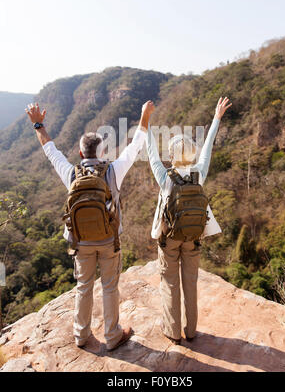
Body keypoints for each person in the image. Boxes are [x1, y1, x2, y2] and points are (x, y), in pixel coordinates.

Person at [26, 100, 155, 350]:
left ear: (81, 153)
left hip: (81, 242)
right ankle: (112, 334)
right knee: (109, 287)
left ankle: (81, 335)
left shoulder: (71, 174)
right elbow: (136, 144)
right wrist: (144, 116)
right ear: (102, 152)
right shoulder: (114, 170)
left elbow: (50, 150)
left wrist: (38, 124)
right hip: (109, 242)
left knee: (83, 286)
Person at [146, 97, 232, 345]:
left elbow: (151, 152)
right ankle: (191, 331)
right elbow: (208, 147)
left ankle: (173, 333)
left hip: (169, 239)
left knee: (170, 283)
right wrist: (217, 118)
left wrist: (146, 123)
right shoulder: (199, 173)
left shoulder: (166, 177)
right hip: (193, 237)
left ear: (172, 155)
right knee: (190, 284)